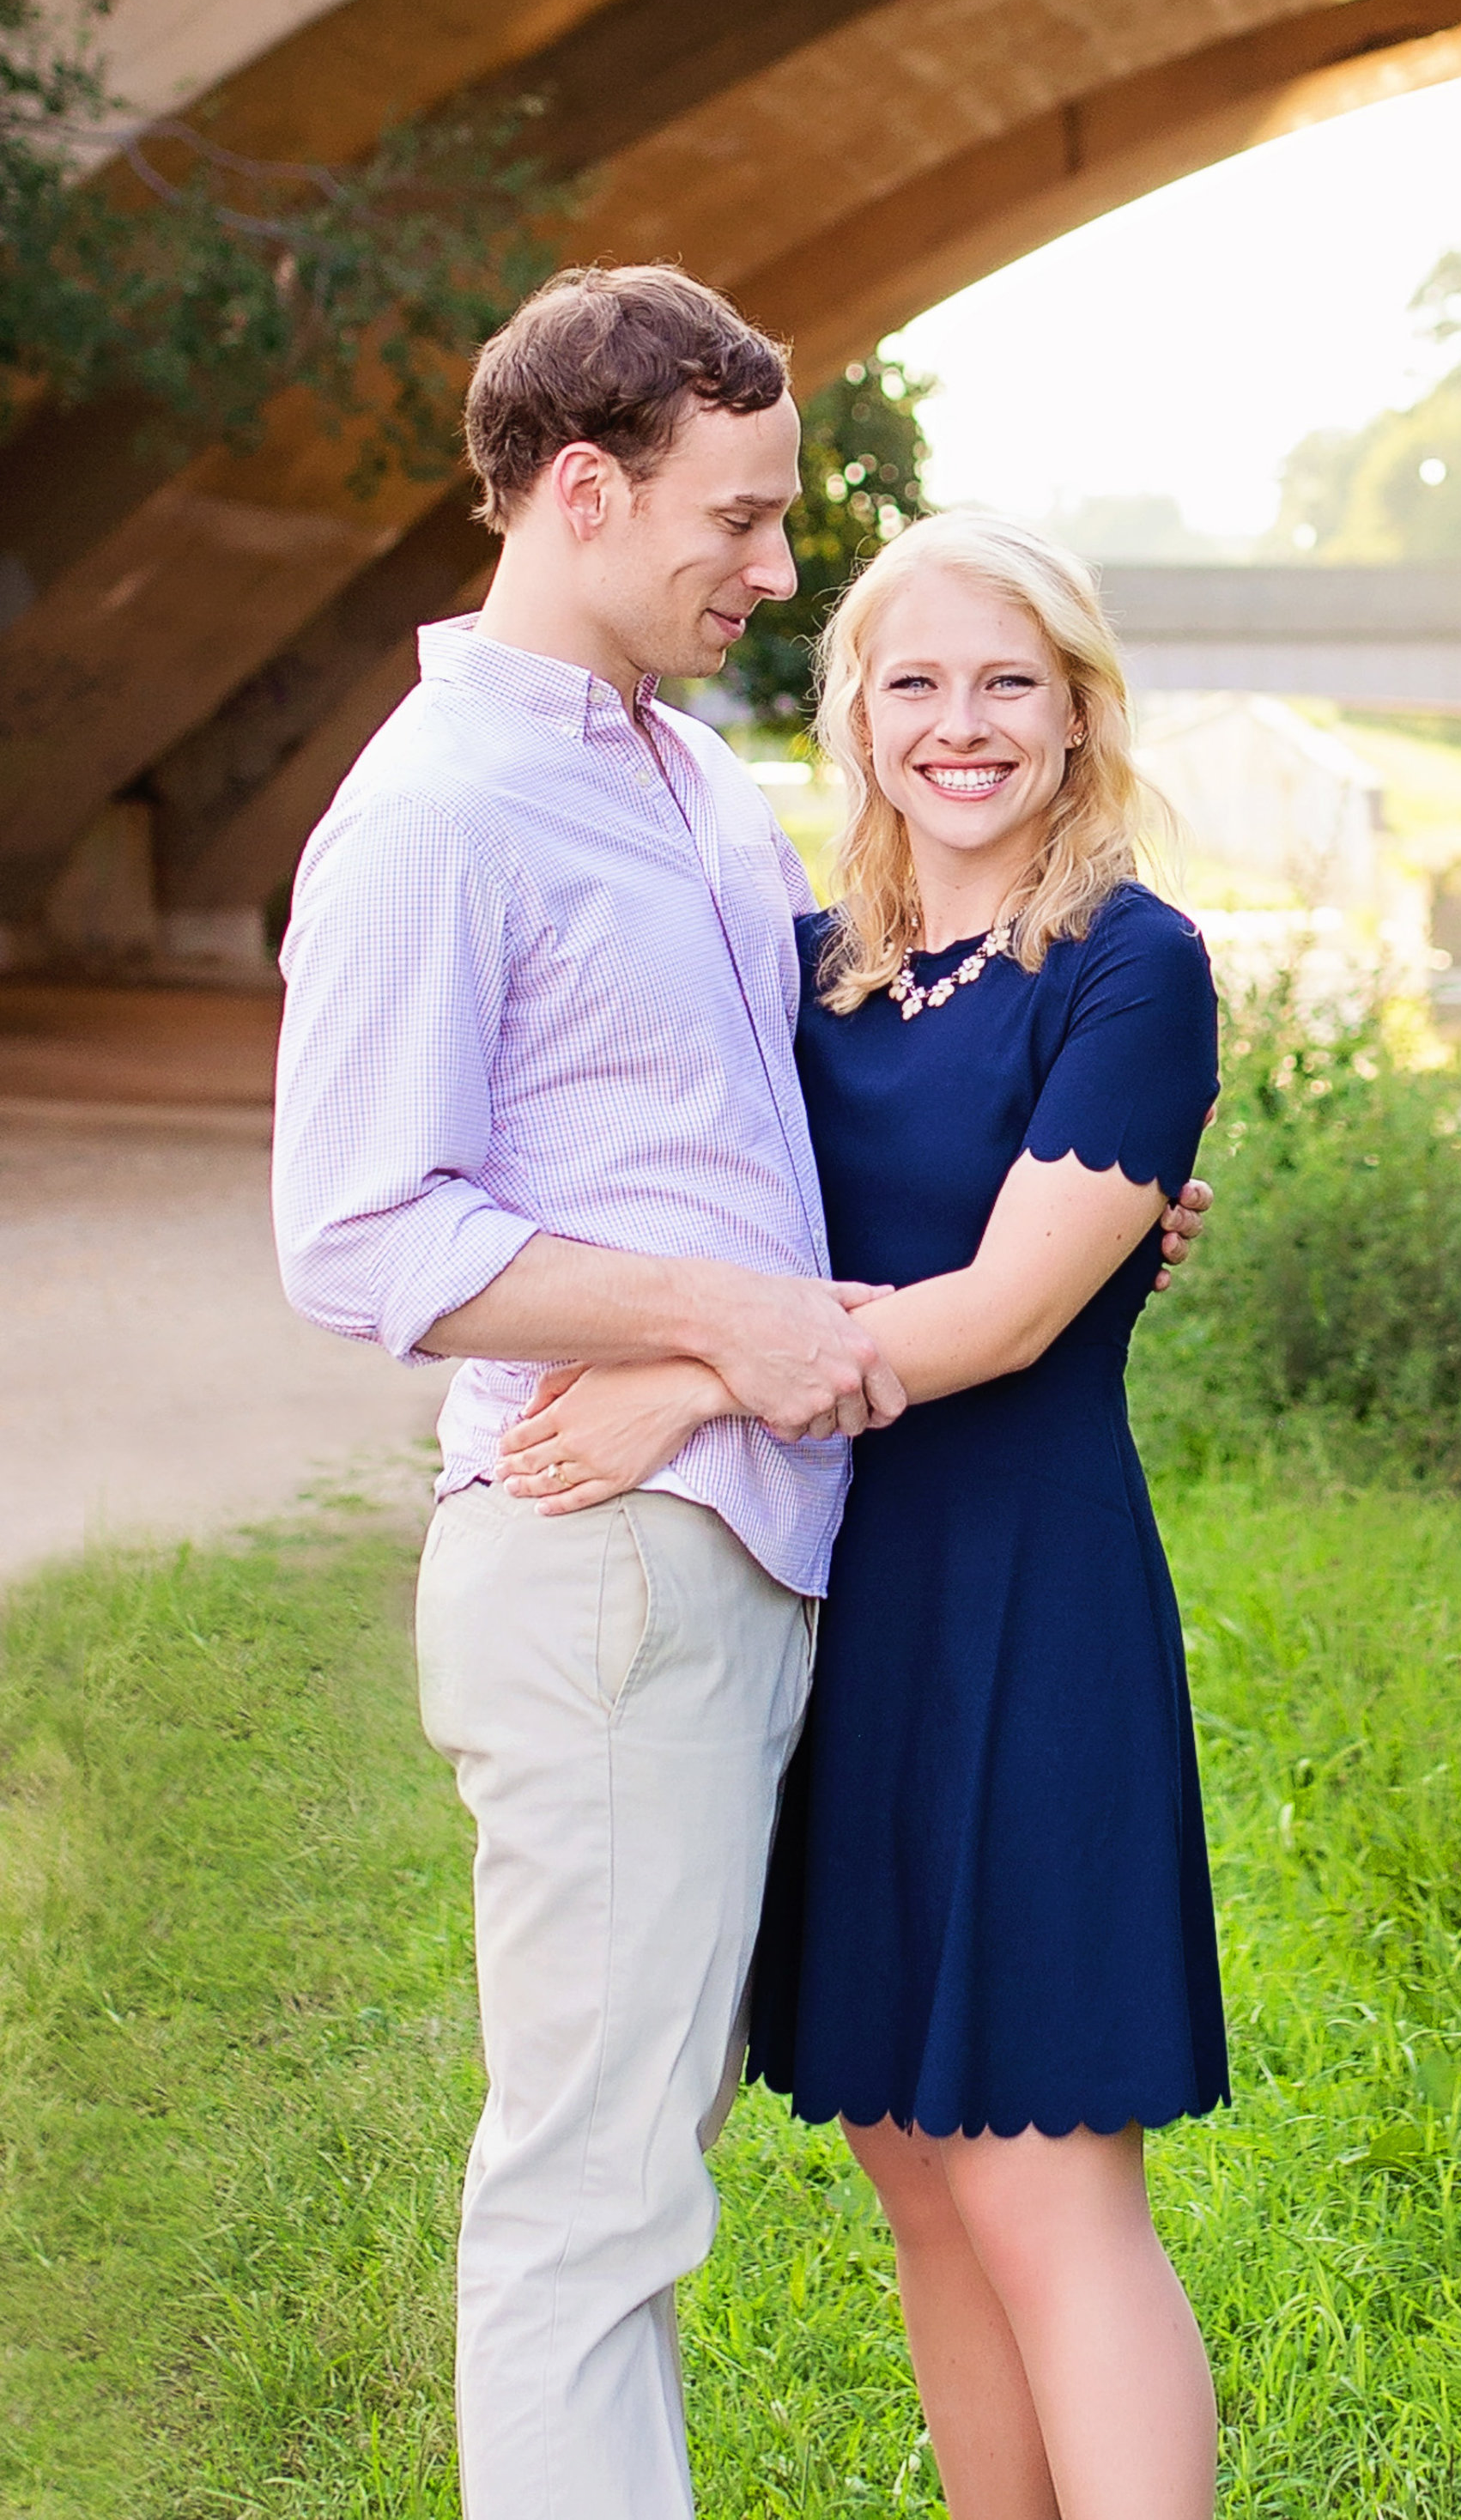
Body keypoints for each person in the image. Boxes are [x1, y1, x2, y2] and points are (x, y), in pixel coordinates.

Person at [270, 267, 1208, 2520]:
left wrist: (1072, 1223)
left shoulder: (693, 793)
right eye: (746, 523)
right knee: (638, 2190)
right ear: (584, 493)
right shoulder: (448, 812)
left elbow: (832, 1167)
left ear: (1079, 714)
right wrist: (705, 1346)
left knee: (960, 2170)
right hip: (641, 1568)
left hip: (871, 1565)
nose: (773, 576)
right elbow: (359, 1229)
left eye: (1004, 679)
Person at [498, 511, 1229, 2520]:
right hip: (846, 1587)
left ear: (1077, 715)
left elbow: (996, 1316)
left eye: (1007, 682)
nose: (960, 724)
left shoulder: (1133, 964)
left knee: (1040, 2166)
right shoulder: (818, 970)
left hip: (1027, 1586)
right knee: (913, 2155)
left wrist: (687, 1373)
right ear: (853, 717)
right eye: (913, 682)